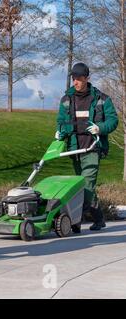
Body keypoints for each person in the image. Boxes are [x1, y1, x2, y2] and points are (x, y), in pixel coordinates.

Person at [56, 63, 118, 231]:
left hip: (93, 147)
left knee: (87, 186)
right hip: (75, 148)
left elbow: (113, 120)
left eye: (79, 79)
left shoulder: (101, 99)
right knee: (80, 187)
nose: (75, 82)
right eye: (73, 78)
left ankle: (74, 221)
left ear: (86, 78)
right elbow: (61, 122)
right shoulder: (66, 100)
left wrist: (100, 128)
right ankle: (99, 219)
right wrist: (59, 131)